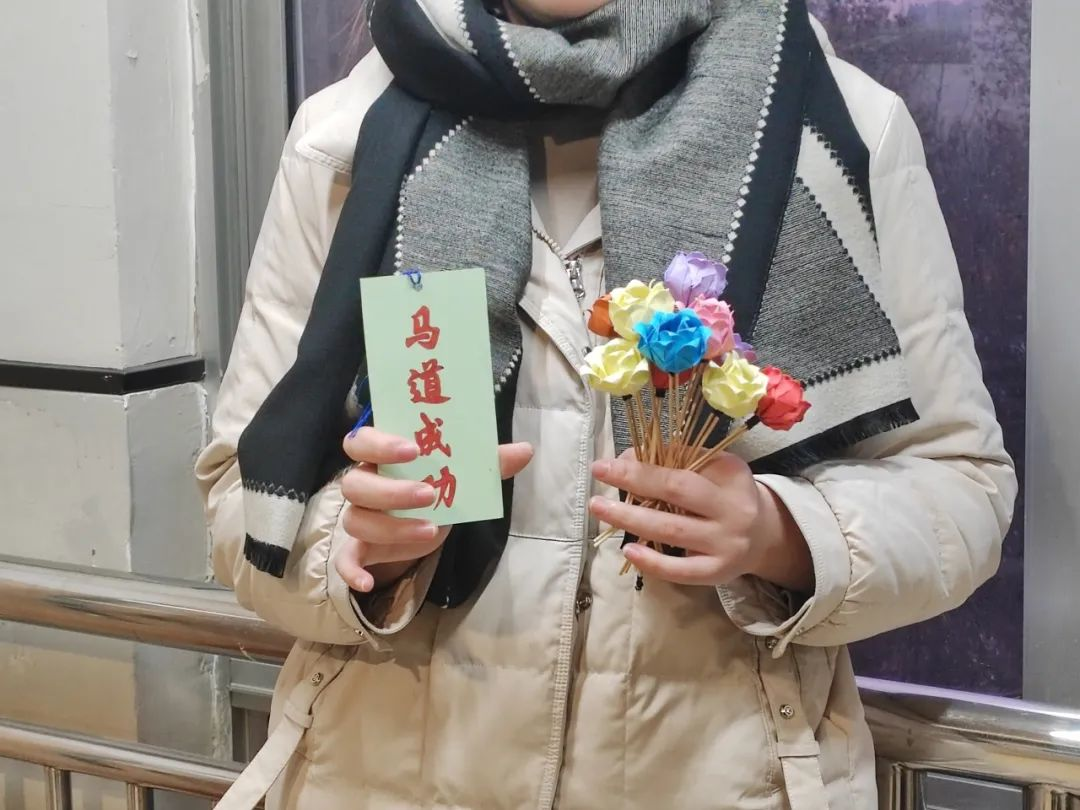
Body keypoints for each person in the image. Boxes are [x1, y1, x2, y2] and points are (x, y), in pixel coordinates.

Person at [197, 1, 1017, 808]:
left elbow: (962, 488)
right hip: (375, 774)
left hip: (716, 778)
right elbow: (240, 497)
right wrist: (356, 550)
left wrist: (780, 535)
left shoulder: (829, 124)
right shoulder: (343, 137)